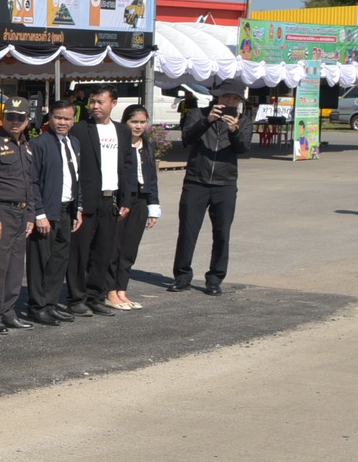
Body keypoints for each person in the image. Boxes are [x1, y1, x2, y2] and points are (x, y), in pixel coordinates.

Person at [171, 87, 246, 295]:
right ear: (217, 96)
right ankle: (182, 277)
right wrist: (207, 121)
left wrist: (234, 130)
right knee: (188, 231)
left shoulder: (243, 120)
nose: (230, 101)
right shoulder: (198, 114)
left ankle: (215, 279)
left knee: (222, 233)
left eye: (235, 98)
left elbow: (243, 148)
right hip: (196, 181)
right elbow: (187, 137)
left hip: (225, 183)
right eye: (227, 96)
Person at [0, 96, 38, 333]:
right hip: (1, 211)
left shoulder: (26, 145)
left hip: (21, 213)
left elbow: (29, 183)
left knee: (15, 266)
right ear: (2, 118)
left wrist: (31, 215)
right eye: (10, 117)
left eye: (20, 118)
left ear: (27, 121)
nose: (15, 122)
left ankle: (8, 311)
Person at [24, 100, 81, 327]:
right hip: (46, 212)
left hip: (67, 210)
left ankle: (50, 303)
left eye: (67, 118)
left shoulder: (74, 142)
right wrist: (39, 213)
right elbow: (32, 182)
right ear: (50, 118)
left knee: (59, 260)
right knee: (40, 261)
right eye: (58, 117)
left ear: (73, 120)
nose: (62, 122)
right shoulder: (39, 144)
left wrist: (78, 209)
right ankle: (37, 306)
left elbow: (76, 178)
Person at [67, 85, 122, 316]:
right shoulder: (80, 129)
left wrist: (126, 199)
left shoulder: (121, 131)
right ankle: (76, 298)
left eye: (101, 102)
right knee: (80, 252)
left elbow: (126, 165)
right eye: (93, 102)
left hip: (111, 200)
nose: (95, 106)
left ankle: (95, 296)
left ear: (113, 103)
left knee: (103, 251)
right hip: (86, 200)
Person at [109, 104, 160, 309]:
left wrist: (153, 206)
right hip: (122, 200)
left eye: (142, 122)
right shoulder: (119, 145)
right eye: (134, 122)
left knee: (129, 249)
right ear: (125, 123)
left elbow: (152, 178)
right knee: (114, 247)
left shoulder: (147, 146)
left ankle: (122, 289)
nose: (138, 126)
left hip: (141, 200)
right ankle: (110, 290)